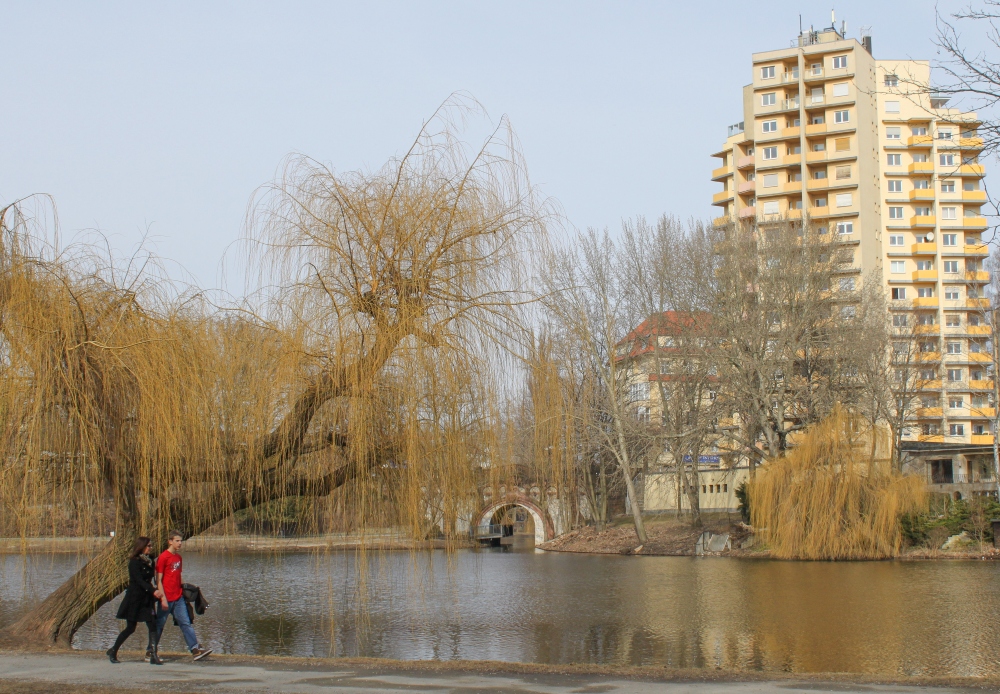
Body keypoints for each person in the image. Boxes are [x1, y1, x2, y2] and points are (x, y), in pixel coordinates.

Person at [155, 530, 212, 660]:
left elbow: (177, 576)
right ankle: (151, 650)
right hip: (166, 597)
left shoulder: (178, 558)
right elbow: (158, 580)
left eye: (181, 541)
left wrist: (185, 591)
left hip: (178, 597)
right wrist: (162, 598)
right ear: (170, 541)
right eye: (177, 541)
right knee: (159, 624)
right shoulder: (163, 557)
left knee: (185, 622)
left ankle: (195, 649)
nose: (180, 543)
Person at [107, 536, 163, 665]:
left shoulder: (150, 561)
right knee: (131, 627)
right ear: (141, 546)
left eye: (151, 545)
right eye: (148, 546)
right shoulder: (134, 562)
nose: (150, 548)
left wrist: (154, 590)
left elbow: (150, 579)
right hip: (135, 598)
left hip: (147, 599)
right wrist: (153, 590)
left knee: (152, 624)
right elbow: (138, 580)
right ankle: (114, 650)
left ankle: (154, 655)